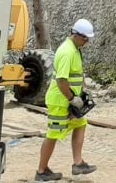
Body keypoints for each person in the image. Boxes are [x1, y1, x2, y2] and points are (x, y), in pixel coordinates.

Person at [36, 19, 97, 181]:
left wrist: (81, 91)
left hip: (68, 99)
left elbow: (75, 75)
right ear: (76, 35)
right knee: (53, 134)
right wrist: (72, 99)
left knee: (81, 124)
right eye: (85, 39)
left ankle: (78, 163)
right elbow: (61, 80)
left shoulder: (75, 49)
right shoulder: (67, 52)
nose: (87, 42)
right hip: (60, 101)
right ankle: (41, 171)